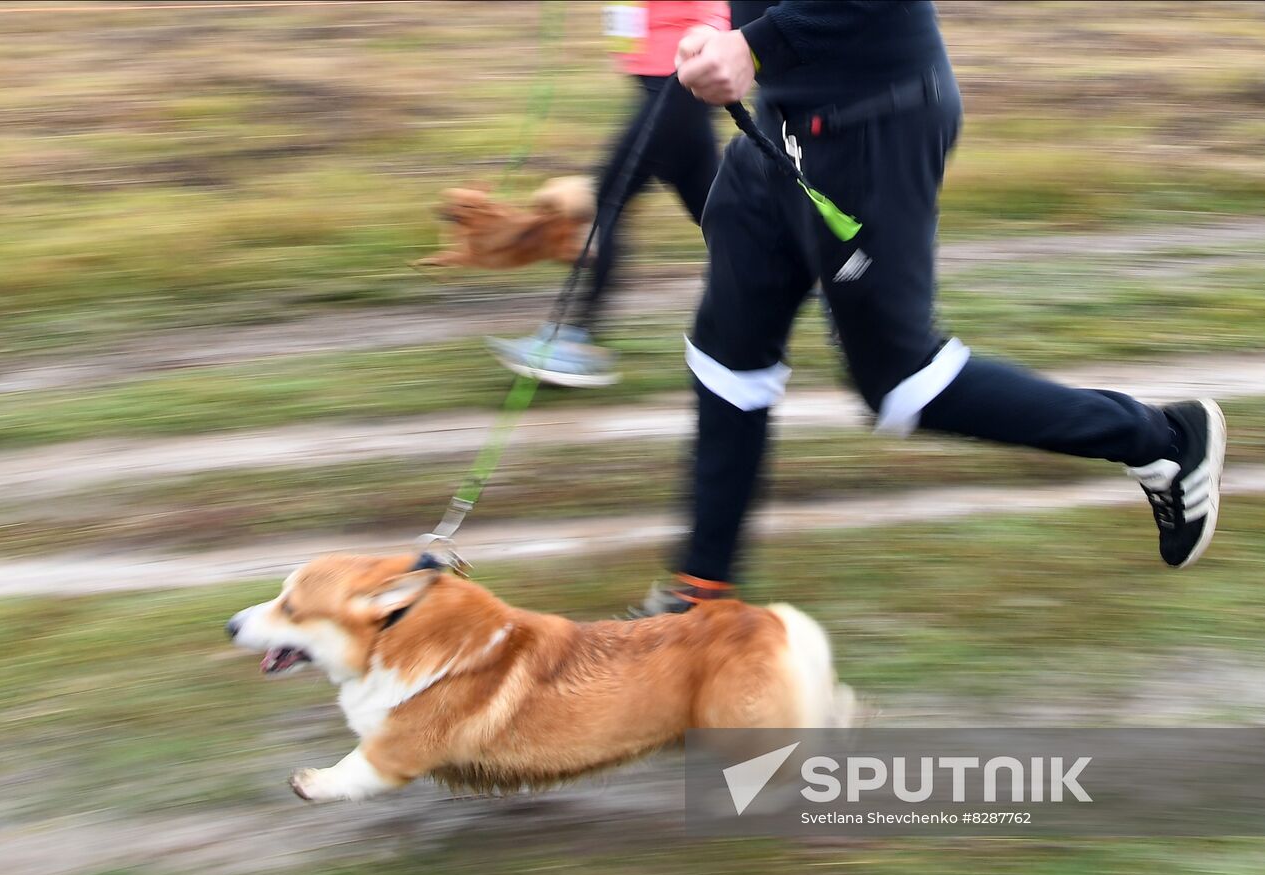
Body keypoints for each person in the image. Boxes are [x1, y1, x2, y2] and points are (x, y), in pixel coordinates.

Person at [631, 0, 1227, 615]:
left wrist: (754, 47)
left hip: (874, 125)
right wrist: (720, 32)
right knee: (726, 354)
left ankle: (1164, 440)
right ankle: (699, 598)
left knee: (902, 383)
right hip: (780, 122)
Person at [489, 1, 730, 388]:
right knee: (721, 214)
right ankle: (820, 284)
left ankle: (575, 336)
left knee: (608, 198)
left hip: (679, 78)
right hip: (666, 83)